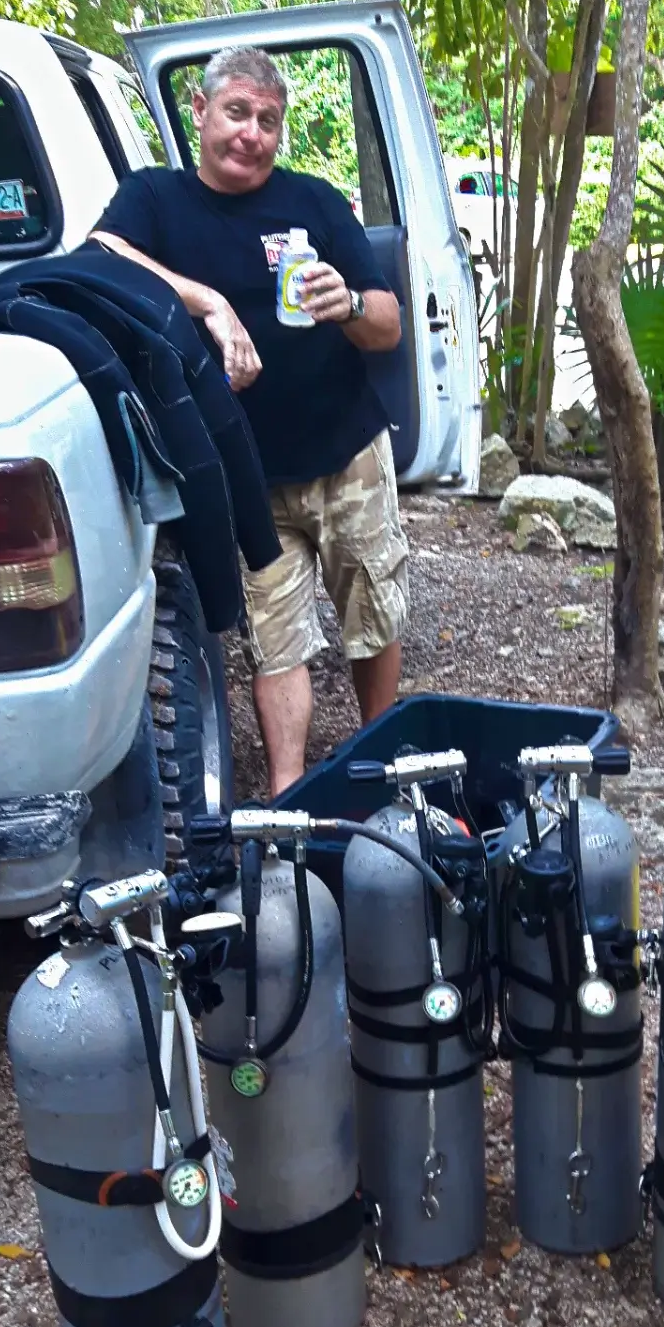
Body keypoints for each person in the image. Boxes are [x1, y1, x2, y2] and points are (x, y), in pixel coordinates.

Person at [91, 45, 408, 797]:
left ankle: (380, 762)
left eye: (268, 121)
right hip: (248, 472)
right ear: (200, 113)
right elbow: (100, 256)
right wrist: (206, 300)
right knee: (277, 637)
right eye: (236, 113)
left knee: (375, 611)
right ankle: (290, 793)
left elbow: (389, 325)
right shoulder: (156, 200)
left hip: (346, 451)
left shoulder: (316, 203)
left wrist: (353, 305)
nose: (251, 134)